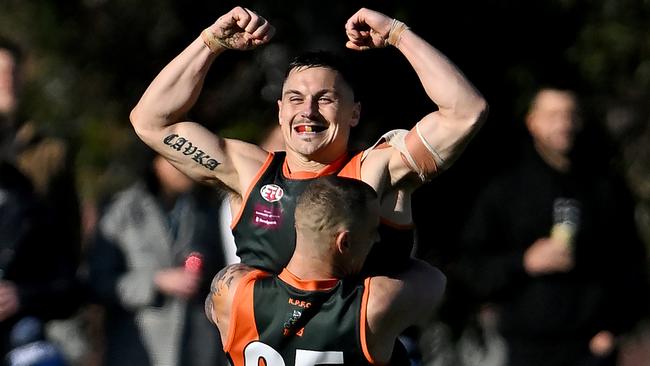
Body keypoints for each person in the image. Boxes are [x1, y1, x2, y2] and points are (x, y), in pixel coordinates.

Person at [130, 5, 487, 362]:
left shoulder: (378, 171)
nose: (308, 111)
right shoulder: (249, 171)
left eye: (325, 99)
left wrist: (397, 33)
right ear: (281, 110)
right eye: (296, 99)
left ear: (355, 113)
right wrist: (210, 42)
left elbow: (465, 111)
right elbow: (151, 122)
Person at [454, 87, 649, 366]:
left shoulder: (604, 187)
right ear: (532, 121)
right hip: (528, 347)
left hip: (593, 348)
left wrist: (616, 327)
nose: (563, 123)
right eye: (553, 115)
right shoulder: (505, 190)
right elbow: (470, 267)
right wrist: (525, 262)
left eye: (570, 115)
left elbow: (631, 261)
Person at [205, 176, 446, 365]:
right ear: (345, 243)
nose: (377, 238)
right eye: (373, 231)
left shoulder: (233, 292)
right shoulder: (373, 305)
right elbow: (435, 280)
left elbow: (212, 308)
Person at [86, 153, 229, 366]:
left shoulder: (203, 207)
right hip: (139, 345)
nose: (185, 167)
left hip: (198, 344)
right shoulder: (121, 211)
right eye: (175, 160)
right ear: (154, 161)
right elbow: (100, 282)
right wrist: (157, 281)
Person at [0, 36, 83, 360]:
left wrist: (34, 294)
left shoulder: (50, 152)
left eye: (13, 71)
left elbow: (68, 240)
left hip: (28, 307)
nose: (8, 80)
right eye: (0, 71)